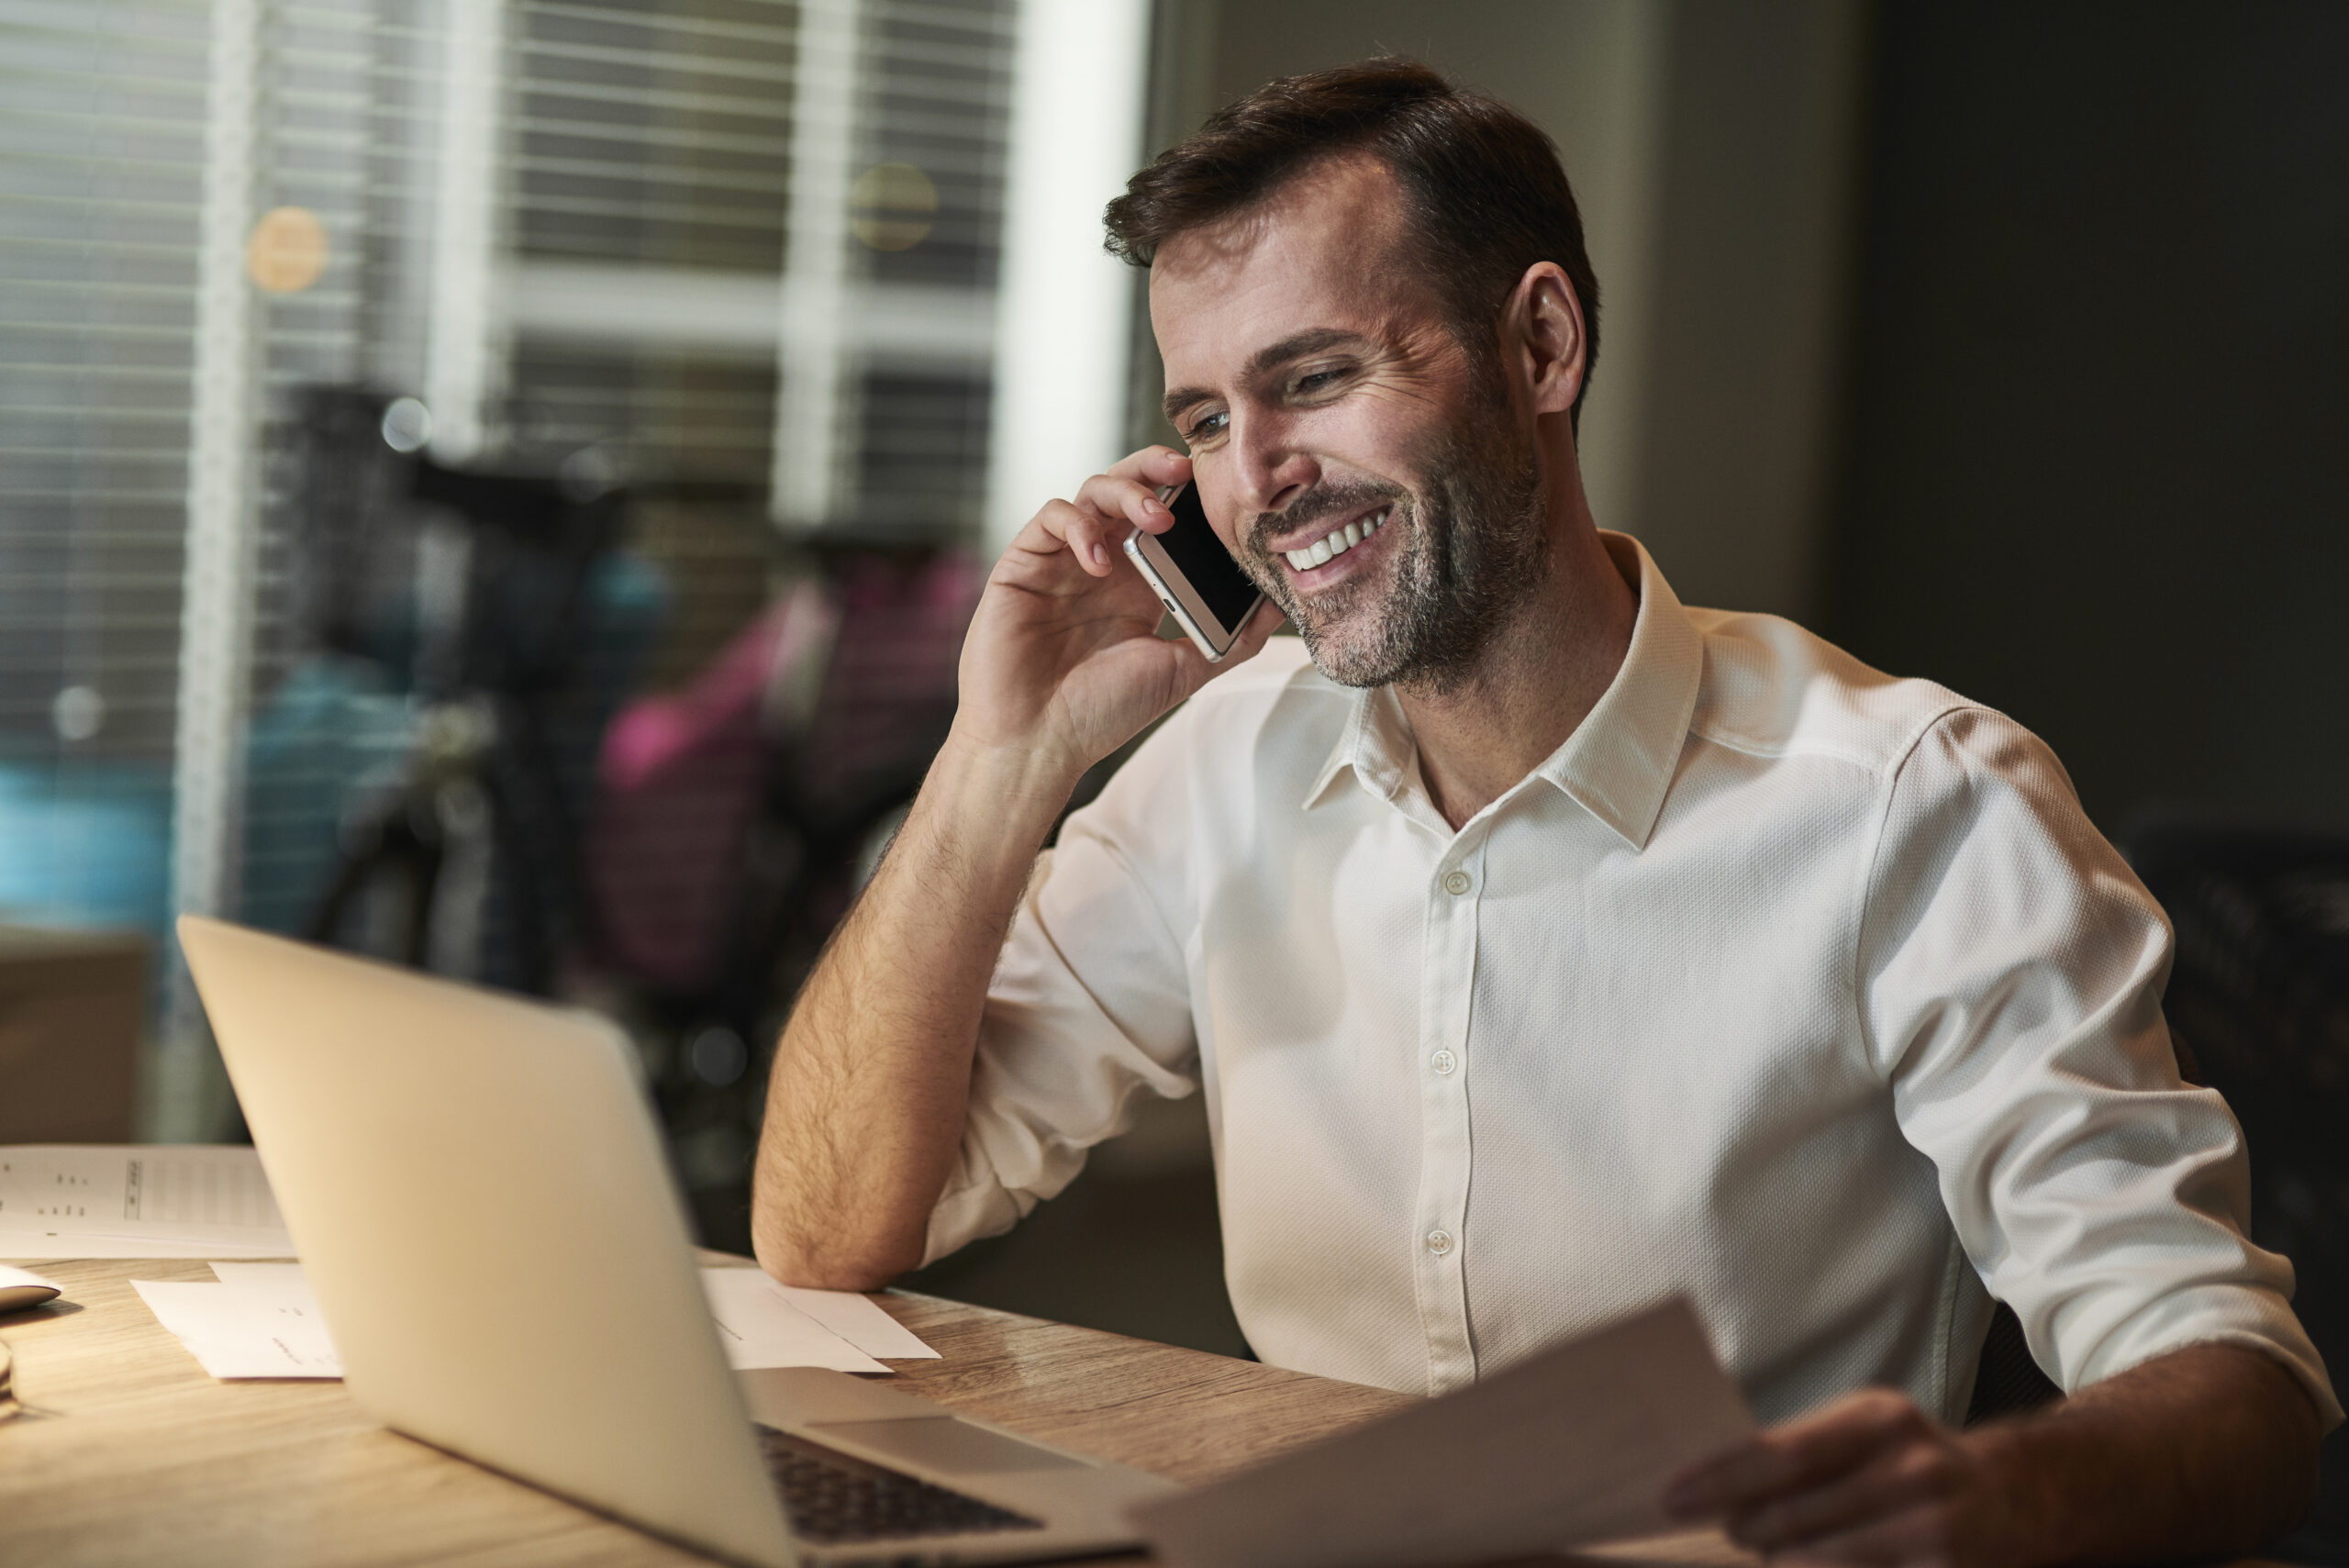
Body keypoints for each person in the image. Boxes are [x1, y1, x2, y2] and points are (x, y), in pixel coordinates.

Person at [752, 59, 2336, 1563]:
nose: (1258, 480)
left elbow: (2242, 1389)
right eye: (1208, 420)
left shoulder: (1920, 808)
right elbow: (827, 1229)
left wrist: (1996, 1501)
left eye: (1314, 378)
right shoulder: (1223, 762)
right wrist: (997, 756)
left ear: (1544, 346)